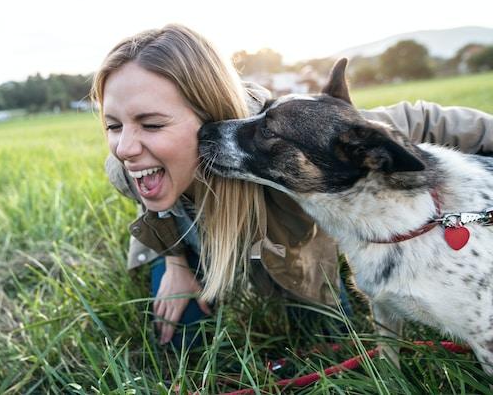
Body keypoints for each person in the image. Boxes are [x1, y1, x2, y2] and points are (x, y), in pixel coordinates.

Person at [91, 23, 493, 348]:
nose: (125, 148)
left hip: (286, 253)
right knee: (180, 341)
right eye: (113, 125)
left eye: (152, 123)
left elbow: (421, 119)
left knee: (325, 338)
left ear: (208, 111)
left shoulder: (291, 134)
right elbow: (157, 210)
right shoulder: (127, 168)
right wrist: (176, 265)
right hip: (200, 239)